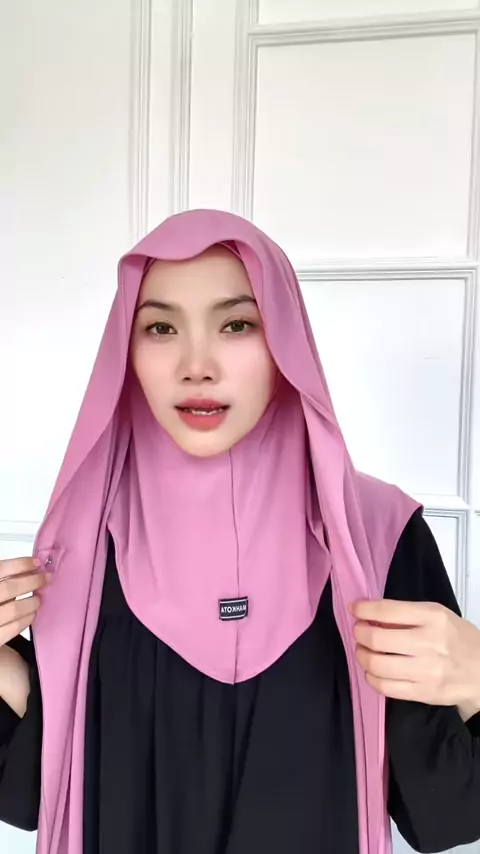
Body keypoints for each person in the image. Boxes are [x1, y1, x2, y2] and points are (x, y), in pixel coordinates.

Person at [0, 209, 480, 854]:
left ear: (285, 343)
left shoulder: (376, 535)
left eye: (236, 324)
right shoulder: (86, 543)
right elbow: (41, 793)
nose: (196, 366)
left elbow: (445, 813)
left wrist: (477, 677)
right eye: (161, 327)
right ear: (126, 353)